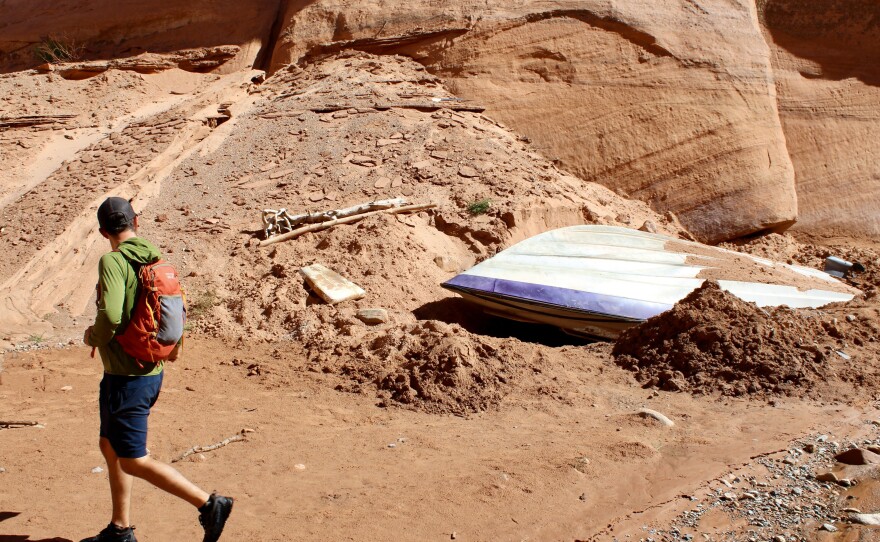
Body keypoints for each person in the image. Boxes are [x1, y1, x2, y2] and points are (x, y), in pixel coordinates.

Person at [82, 197, 232, 542]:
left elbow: (112, 316)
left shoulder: (114, 261)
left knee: (133, 459)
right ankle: (120, 530)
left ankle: (209, 504)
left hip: (127, 378)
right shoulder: (155, 258)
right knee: (109, 445)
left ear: (103, 230)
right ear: (136, 222)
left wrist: (92, 336)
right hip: (141, 372)